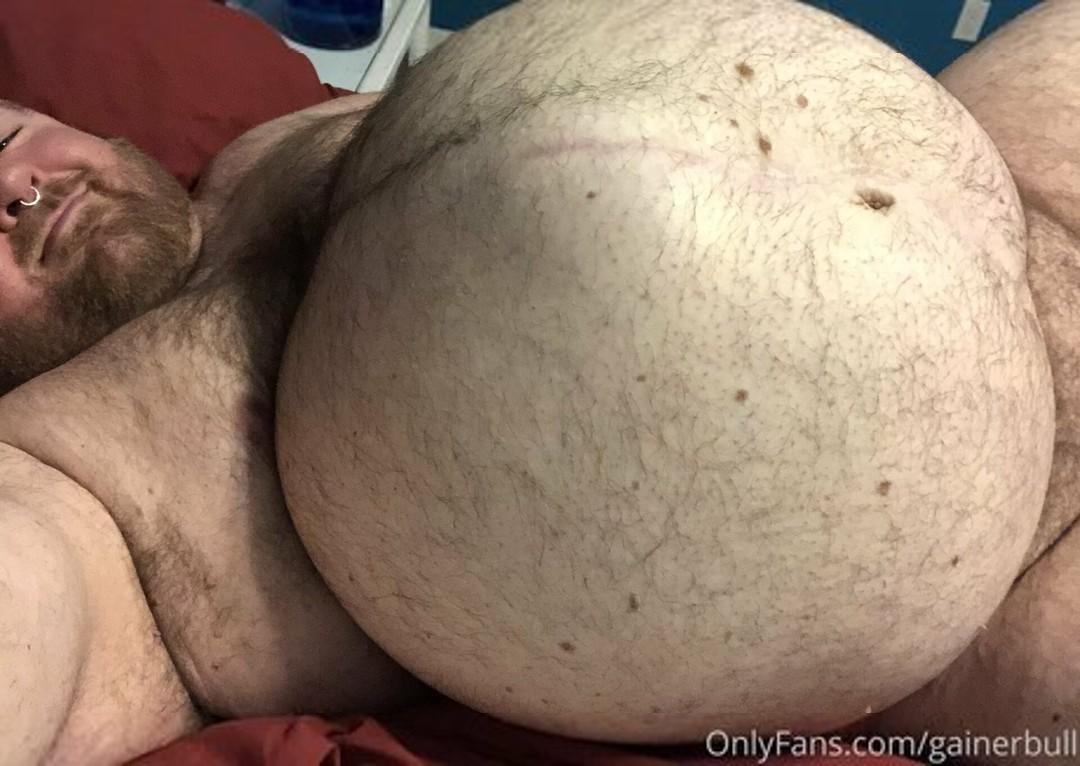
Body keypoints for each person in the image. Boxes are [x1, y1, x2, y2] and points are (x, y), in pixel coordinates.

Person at [0, 1, 1073, 764]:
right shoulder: (65, 464)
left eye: (6, 136)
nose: (14, 184)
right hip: (1023, 578)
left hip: (1027, 178)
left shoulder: (275, 142)